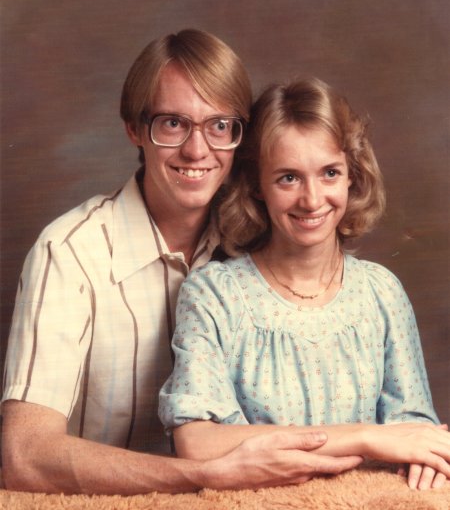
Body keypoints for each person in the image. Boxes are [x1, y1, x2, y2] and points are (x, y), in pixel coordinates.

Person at [1, 32, 362, 495]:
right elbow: (25, 456)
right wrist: (203, 477)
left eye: (219, 126)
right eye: (173, 124)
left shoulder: (258, 242)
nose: (197, 150)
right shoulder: (70, 254)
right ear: (134, 128)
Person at [159, 77, 450, 491]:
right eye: (288, 178)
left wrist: (427, 457)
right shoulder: (214, 295)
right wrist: (363, 436)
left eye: (330, 173)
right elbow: (197, 442)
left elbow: (415, 432)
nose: (312, 200)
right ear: (257, 185)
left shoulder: (381, 293)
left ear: (352, 176)